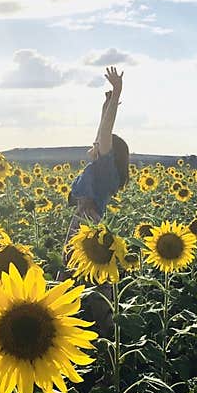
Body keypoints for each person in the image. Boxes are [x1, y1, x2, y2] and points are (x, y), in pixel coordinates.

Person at [61, 66, 129, 335]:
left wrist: (117, 97)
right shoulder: (102, 168)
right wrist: (105, 106)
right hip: (81, 223)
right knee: (73, 282)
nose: (94, 142)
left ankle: (108, 339)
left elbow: (105, 134)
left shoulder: (104, 171)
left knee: (96, 287)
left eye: (99, 142)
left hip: (88, 227)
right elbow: (103, 132)